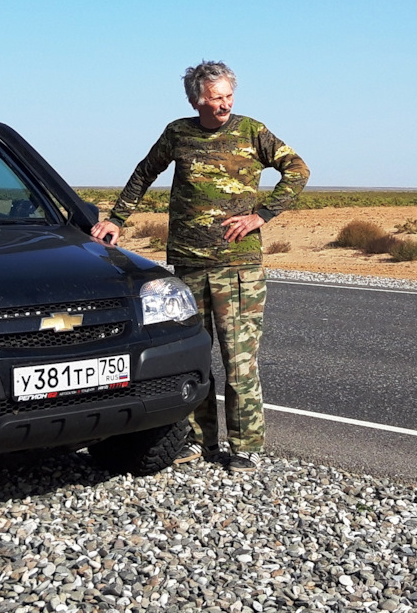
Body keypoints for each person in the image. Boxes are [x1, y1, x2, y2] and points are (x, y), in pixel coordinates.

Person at [91, 61, 309, 471]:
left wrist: (259, 216)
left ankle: (245, 446)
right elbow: (144, 173)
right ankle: (196, 441)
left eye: (228, 95)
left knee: (239, 359)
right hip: (188, 266)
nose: (224, 104)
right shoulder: (179, 132)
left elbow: (298, 171)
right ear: (196, 100)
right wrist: (116, 219)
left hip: (237, 267)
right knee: (193, 356)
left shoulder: (251, 131)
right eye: (215, 97)